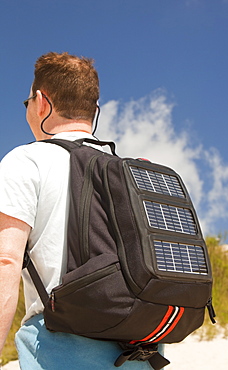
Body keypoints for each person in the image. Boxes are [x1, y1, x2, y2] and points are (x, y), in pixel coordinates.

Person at [0, 52, 162, 369]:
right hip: (141, 351)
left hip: (61, 350)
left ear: (41, 101)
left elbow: (5, 261)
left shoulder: (26, 161)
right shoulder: (131, 172)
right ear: (94, 112)